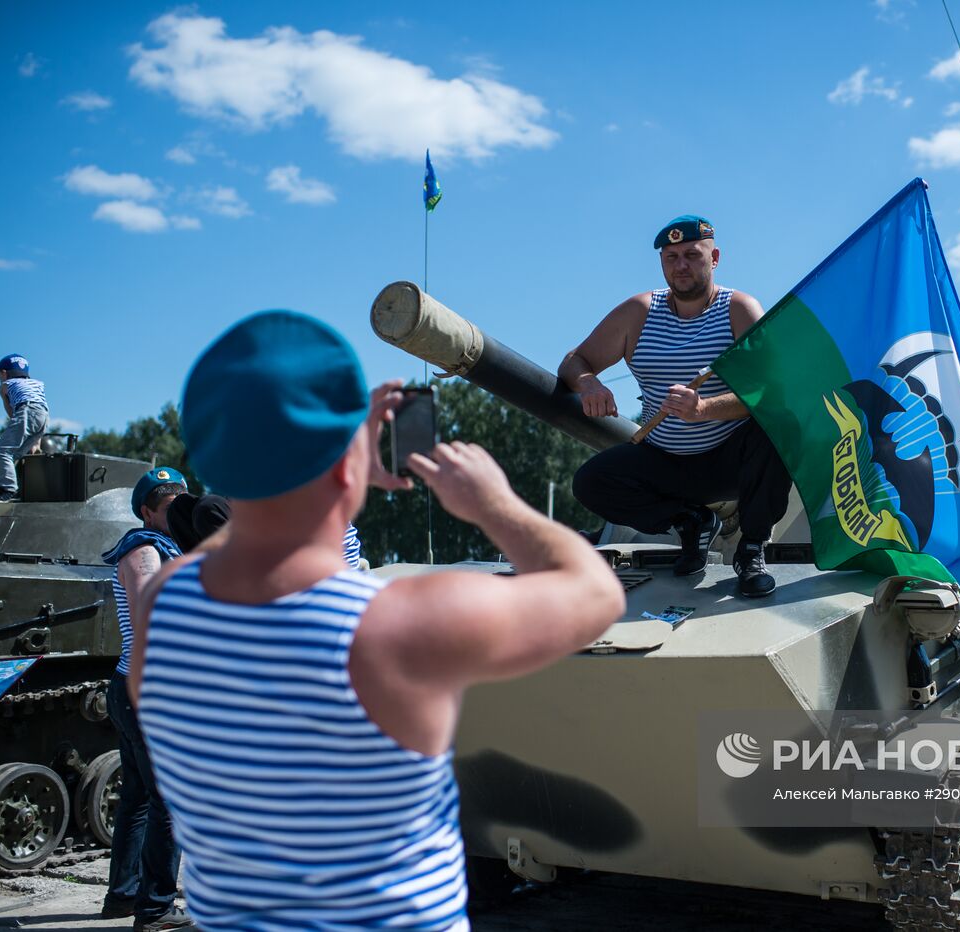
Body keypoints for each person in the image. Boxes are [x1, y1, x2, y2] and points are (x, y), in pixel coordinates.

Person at [126, 310, 625, 928]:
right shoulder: (395, 626)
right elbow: (594, 592)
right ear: (345, 465)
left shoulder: (164, 605)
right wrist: (494, 506)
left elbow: (233, 544)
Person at [560, 215, 793, 597]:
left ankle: (751, 550)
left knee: (777, 429)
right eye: (670, 257)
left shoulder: (739, 310)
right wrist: (588, 383)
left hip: (729, 458)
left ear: (714, 257)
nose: (680, 265)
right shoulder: (639, 313)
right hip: (665, 458)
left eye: (691, 255)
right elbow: (575, 359)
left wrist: (704, 410)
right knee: (591, 482)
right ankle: (690, 522)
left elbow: (772, 393)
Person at [99, 468, 192, 930]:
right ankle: (154, 907)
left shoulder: (170, 548)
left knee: (138, 797)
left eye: (182, 499)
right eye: (167, 503)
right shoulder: (143, 549)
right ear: (146, 512)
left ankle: (124, 895)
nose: (178, 508)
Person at [0, 354, 48, 503]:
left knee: (2, 450)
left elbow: (12, 412)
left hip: (26, 411)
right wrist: (36, 442)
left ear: (4, 373)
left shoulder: (5, 386)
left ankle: (8, 489)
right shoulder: (36, 383)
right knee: (13, 454)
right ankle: (9, 485)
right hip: (43, 417)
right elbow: (40, 407)